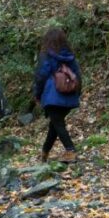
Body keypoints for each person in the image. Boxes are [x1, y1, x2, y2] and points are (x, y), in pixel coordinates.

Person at [33, 27, 81, 163]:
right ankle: (45, 152)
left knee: (58, 124)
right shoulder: (70, 56)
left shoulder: (46, 55)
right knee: (55, 125)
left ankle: (71, 150)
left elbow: (41, 76)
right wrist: (77, 93)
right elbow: (78, 76)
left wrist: (37, 94)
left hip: (52, 96)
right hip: (69, 95)